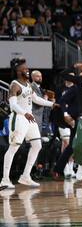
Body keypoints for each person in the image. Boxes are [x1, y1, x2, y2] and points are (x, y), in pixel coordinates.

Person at [0, 58, 58, 189]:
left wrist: (51, 104)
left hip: (29, 118)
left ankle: (25, 176)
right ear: (18, 70)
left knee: (37, 145)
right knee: (13, 147)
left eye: (27, 68)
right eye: (24, 68)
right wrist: (24, 113)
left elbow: (36, 99)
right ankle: (5, 179)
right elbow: (13, 105)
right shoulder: (14, 85)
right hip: (19, 118)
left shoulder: (28, 84)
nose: (27, 70)